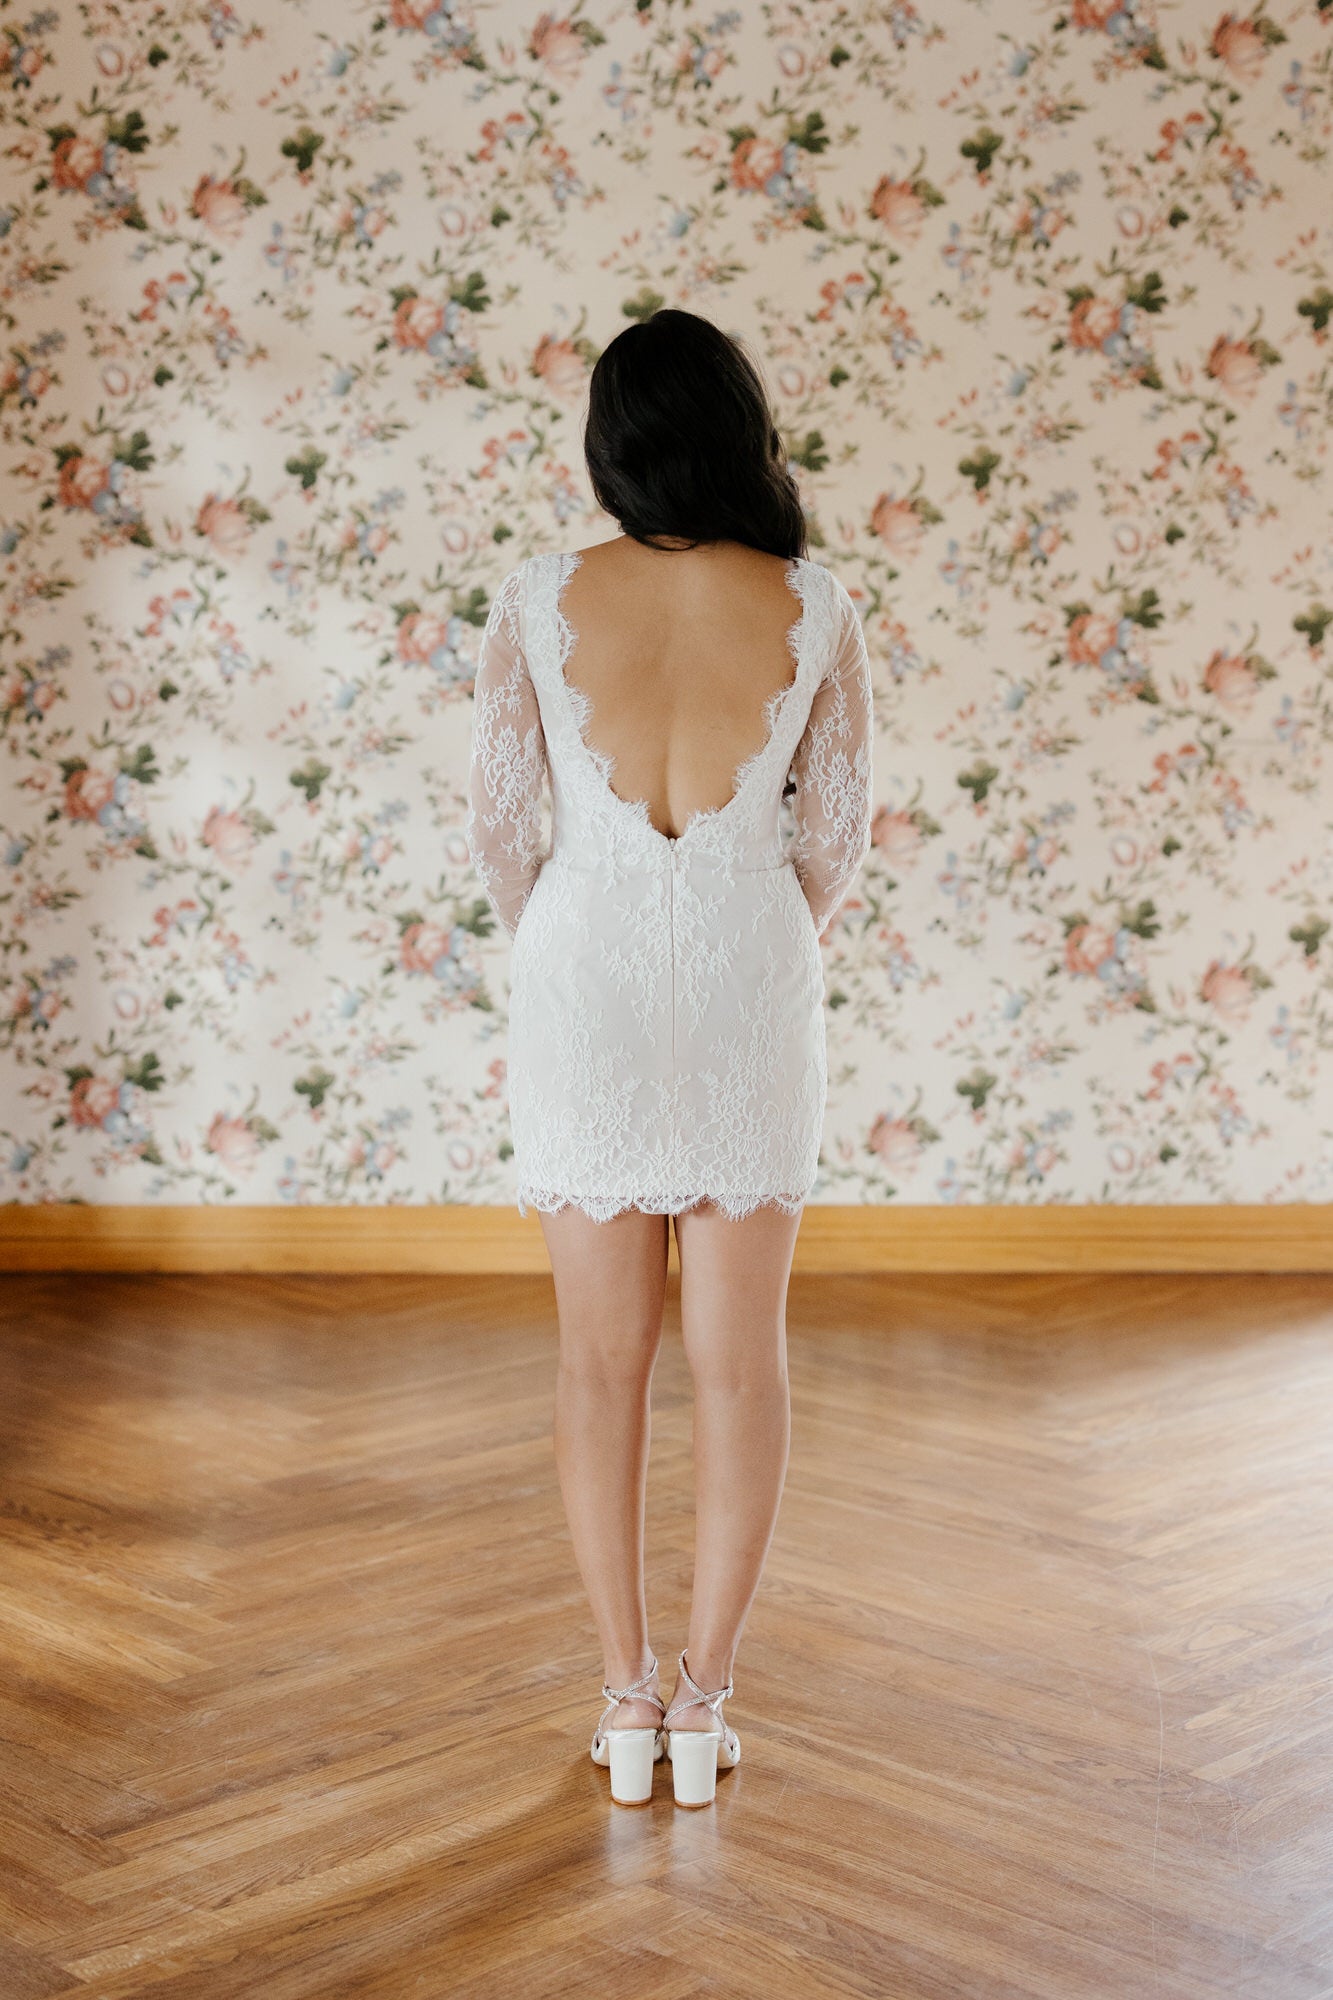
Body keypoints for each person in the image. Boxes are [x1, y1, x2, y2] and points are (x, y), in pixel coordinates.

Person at [465, 307, 874, 1808]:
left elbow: (506, 834)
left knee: (597, 1363)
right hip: (747, 970)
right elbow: (834, 840)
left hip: (585, 973)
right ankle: (705, 1707)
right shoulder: (813, 600)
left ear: (611, 441)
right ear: (736, 426)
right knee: (740, 1369)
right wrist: (747, 932)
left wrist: (582, 936)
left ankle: (623, 1699)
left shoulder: (532, 594)